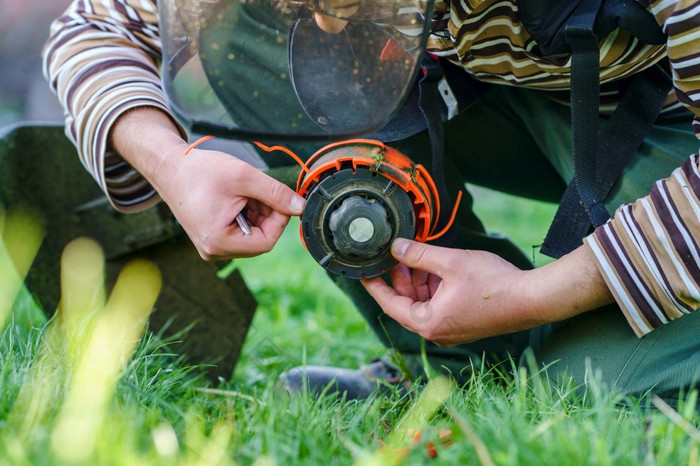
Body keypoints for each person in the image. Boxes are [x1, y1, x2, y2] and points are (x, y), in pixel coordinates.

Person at [42, 0, 700, 401]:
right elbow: (89, 27)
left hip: (662, 115)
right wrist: (172, 162)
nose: (322, 22)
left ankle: (537, 322)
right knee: (247, 28)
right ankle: (451, 361)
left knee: (590, 386)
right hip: (474, 81)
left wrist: (543, 293)